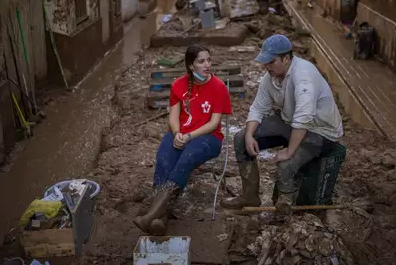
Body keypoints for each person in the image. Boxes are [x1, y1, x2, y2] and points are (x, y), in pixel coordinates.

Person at [221, 35, 343, 214]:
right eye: (265, 62)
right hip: (290, 122)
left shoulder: (303, 77)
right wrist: (248, 136)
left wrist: (289, 151)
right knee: (240, 138)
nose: (266, 66)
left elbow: (304, 118)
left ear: (286, 59)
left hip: (319, 130)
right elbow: (257, 108)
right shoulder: (270, 78)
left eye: (271, 62)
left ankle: (285, 207)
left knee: (286, 165)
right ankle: (250, 197)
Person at [135, 45, 232, 235]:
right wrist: (177, 132)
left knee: (186, 159)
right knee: (164, 159)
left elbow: (214, 123)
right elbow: (173, 117)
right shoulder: (178, 85)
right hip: (181, 133)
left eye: (208, 60)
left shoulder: (218, 87)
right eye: (201, 61)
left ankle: (150, 215)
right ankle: (160, 219)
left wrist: (189, 136)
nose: (207, 65)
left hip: (208, 138)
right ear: (190, 65)